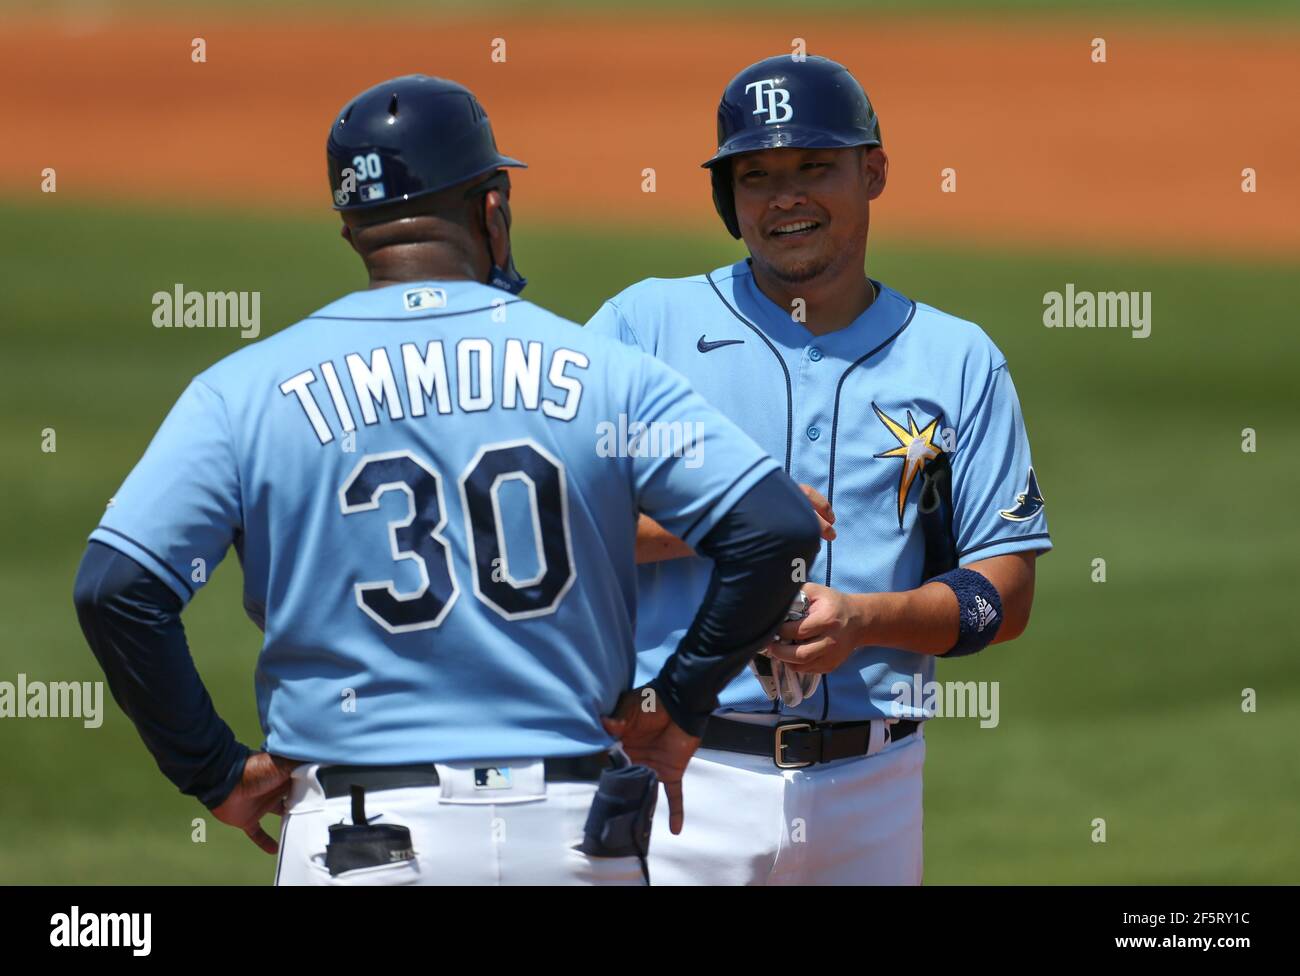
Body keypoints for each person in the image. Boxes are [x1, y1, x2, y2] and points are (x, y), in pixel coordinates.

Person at [72, 74, 820, 885]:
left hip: (360, 841)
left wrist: (214, 769)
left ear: (354, 228)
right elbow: (776, 528)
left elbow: (117, 590)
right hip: (572, 839)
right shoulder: (606, 371)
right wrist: (678, 704)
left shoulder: (243, 390)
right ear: (490, 210)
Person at [589, 54, 1052, 884]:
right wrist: (727, 521)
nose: (785, 196)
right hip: (680, 782)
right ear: (726, 197)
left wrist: (866, 621)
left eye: (814, 166)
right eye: (756, 174)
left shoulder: (957, 360)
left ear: (872, 171)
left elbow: (1004, 595)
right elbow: (547, 528)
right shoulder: (642, 327)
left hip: (874, 789)